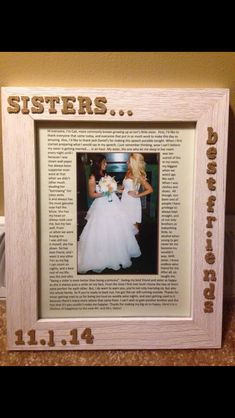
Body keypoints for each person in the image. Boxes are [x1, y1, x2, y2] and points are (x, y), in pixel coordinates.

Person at [77, 155, 141, 273]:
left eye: (105, 163)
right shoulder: (92, 178)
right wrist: (106, 193)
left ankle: (118, 251)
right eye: (104, 163)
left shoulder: (105, 175)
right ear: (98, 164)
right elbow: (92, 194)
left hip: (113, 203)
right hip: (101, 205)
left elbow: (113, 188)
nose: (106, 164)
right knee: (102, 228)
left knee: (117, 227)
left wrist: (118, 189)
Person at [120, 153, 153, 232]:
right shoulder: (128, 172)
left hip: (132, 202)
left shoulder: (138, 175)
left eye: (128, 161)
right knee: (125, 223)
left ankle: (135, 243)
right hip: (124, 200)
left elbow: (150, 189)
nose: (126, 162)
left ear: (133, 163)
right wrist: (112, 187)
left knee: (133, 225)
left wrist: (137, 196)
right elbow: (123, 188)